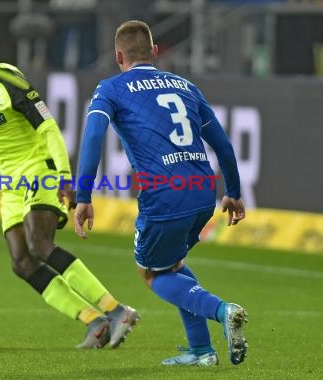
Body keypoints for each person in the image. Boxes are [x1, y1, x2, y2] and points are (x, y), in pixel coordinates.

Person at [0, 24, 140, 349]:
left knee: (40, 245)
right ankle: (94, 322)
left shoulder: (11, 83)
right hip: (10, 180)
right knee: (21, 262)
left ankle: (117, 311)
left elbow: (50, 129)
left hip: (39, 166)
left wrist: (64, 177)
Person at [74, 20, 248, 366]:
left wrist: (83, 196)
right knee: (174, 264)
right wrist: (234, 191)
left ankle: (222, 310)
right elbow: (223, 145)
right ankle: (201, 350)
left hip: (164, 194)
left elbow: (93, 138)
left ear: (118, 55)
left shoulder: (111, 88)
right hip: (203, 192)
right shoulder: (186, 86)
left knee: (151, 273)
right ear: (154, 53)